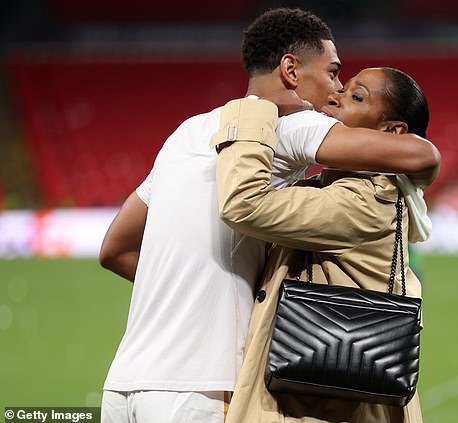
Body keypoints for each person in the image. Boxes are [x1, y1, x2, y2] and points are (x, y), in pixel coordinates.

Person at [99, 8, 440, 423]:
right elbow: (421, 154)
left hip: (125, 384)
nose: (334, 90)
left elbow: (113, 249)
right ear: (291, 70)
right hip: (203, 387)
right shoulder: (290, 126)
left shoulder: (187, 131)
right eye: (333, 73)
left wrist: (191, 285)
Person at [213, 67, 435, 423]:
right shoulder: (344, 187)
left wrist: (255, 109)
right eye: (342, 88)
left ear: (392, 133)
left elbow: (245, 203)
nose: (335, 96)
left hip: (322, 405)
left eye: (356, 96)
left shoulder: (365, 199)